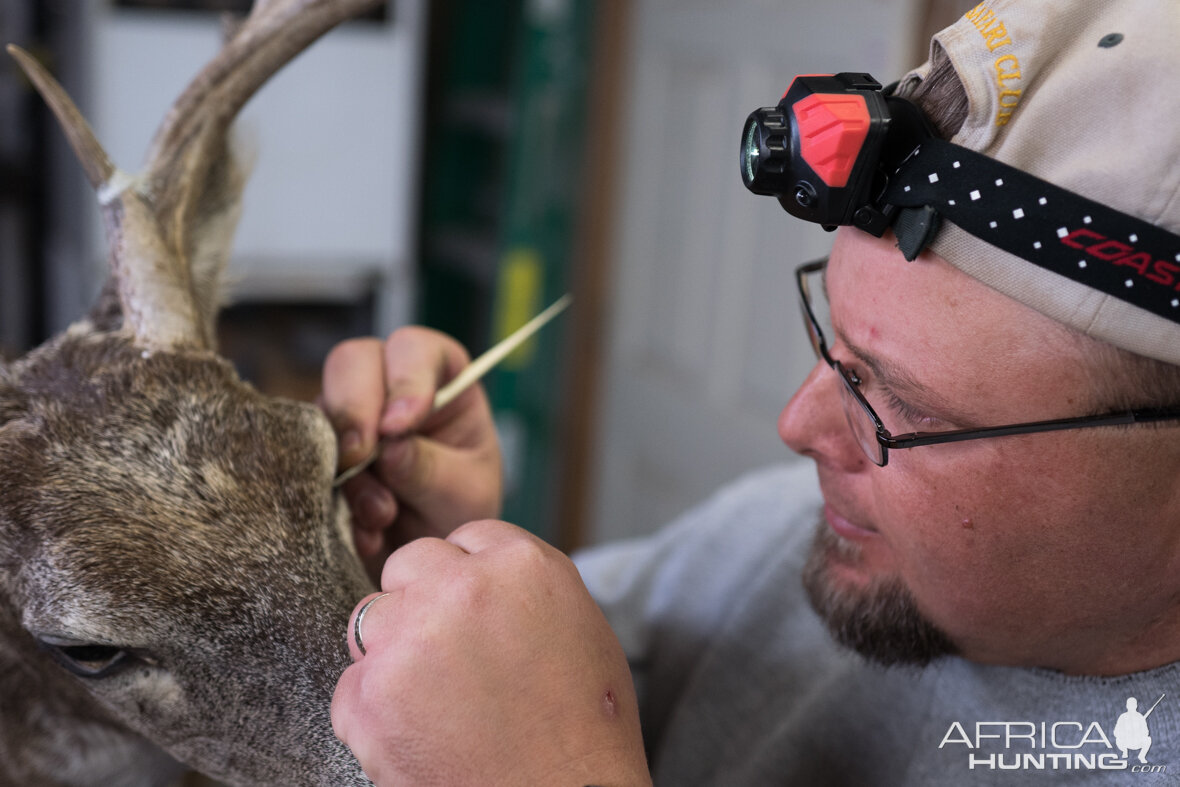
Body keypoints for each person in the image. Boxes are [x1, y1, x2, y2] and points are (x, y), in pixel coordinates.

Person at [328, 0, 1180, 783]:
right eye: (833, 336)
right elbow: (504, 687)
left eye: (907, 407)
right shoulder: (789, 538)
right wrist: (411, 572)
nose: (798, 426)